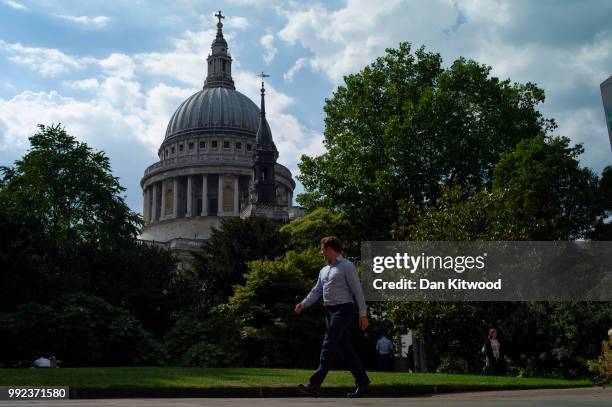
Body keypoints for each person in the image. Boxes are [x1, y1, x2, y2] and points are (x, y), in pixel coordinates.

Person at [295, 236, 370, 398]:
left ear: (330, 249)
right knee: (345, 350)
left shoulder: (347, 266)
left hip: (344, 310)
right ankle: (363, 382)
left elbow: (358, 291)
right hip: (329, 311)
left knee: (328, 344)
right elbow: (316, 290)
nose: (322, 253)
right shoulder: (324, 270)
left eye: (323, 250)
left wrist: (363, 314)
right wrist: (303, 303)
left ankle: (314, 384)